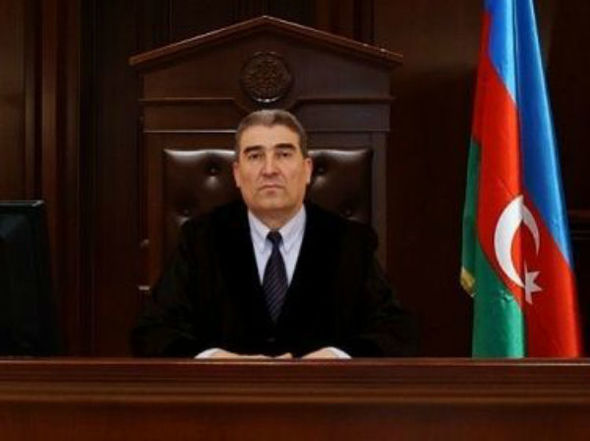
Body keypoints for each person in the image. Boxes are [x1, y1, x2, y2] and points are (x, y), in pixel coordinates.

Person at [131, 109, 416, 359]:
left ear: (307, 169)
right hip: (226, 400)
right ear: (237, 174)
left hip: (322, 400)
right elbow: (153, 331)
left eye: (284, 154)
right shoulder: (200, 239)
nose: (269, 169)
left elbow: (396, 331)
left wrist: (336, 358)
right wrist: (216, 360)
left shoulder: (348, 241)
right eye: (255, 156)